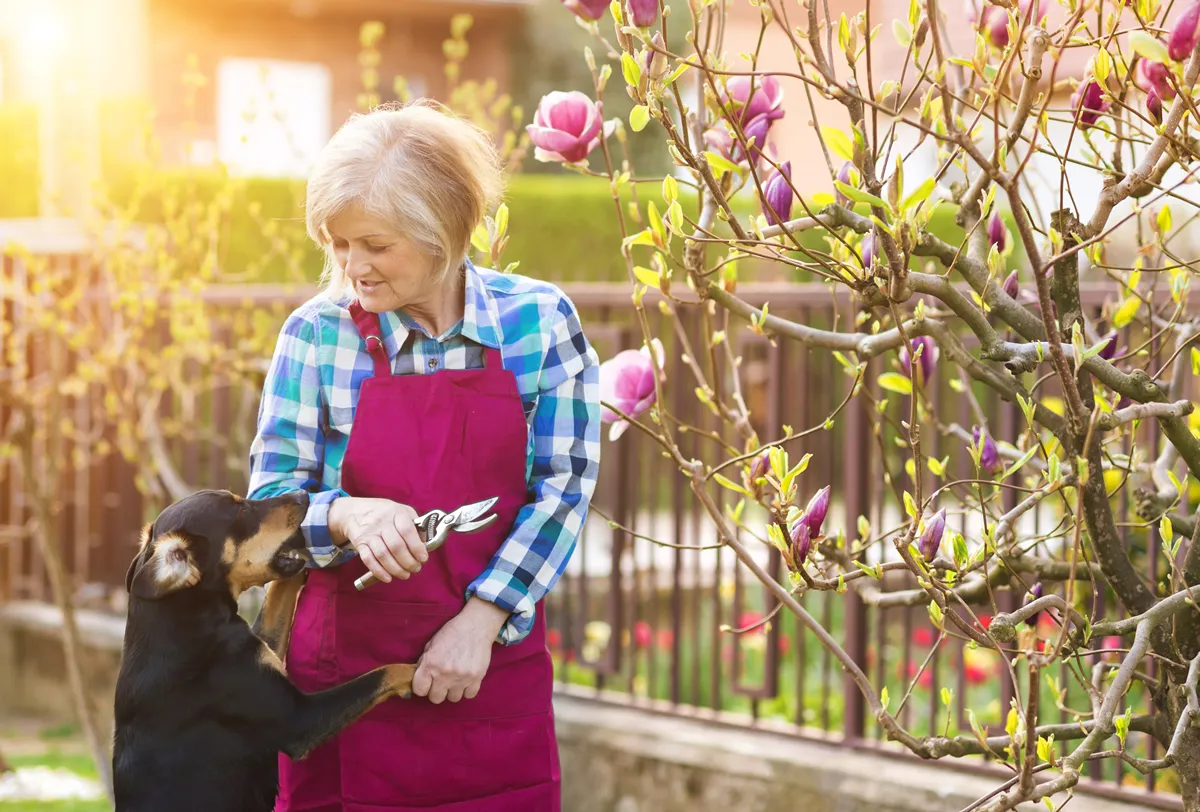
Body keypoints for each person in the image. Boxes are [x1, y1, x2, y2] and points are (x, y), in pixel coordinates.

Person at [247, 99, 601, 811]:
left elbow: (563, 488)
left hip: (482, 674)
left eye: (375, 245)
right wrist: (348, 515)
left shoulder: (539, 324)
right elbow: (268, 510)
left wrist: (484, 620)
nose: (352, 269)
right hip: (339, 687)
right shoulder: (315, 335)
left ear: (443, 230)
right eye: (338, 243)